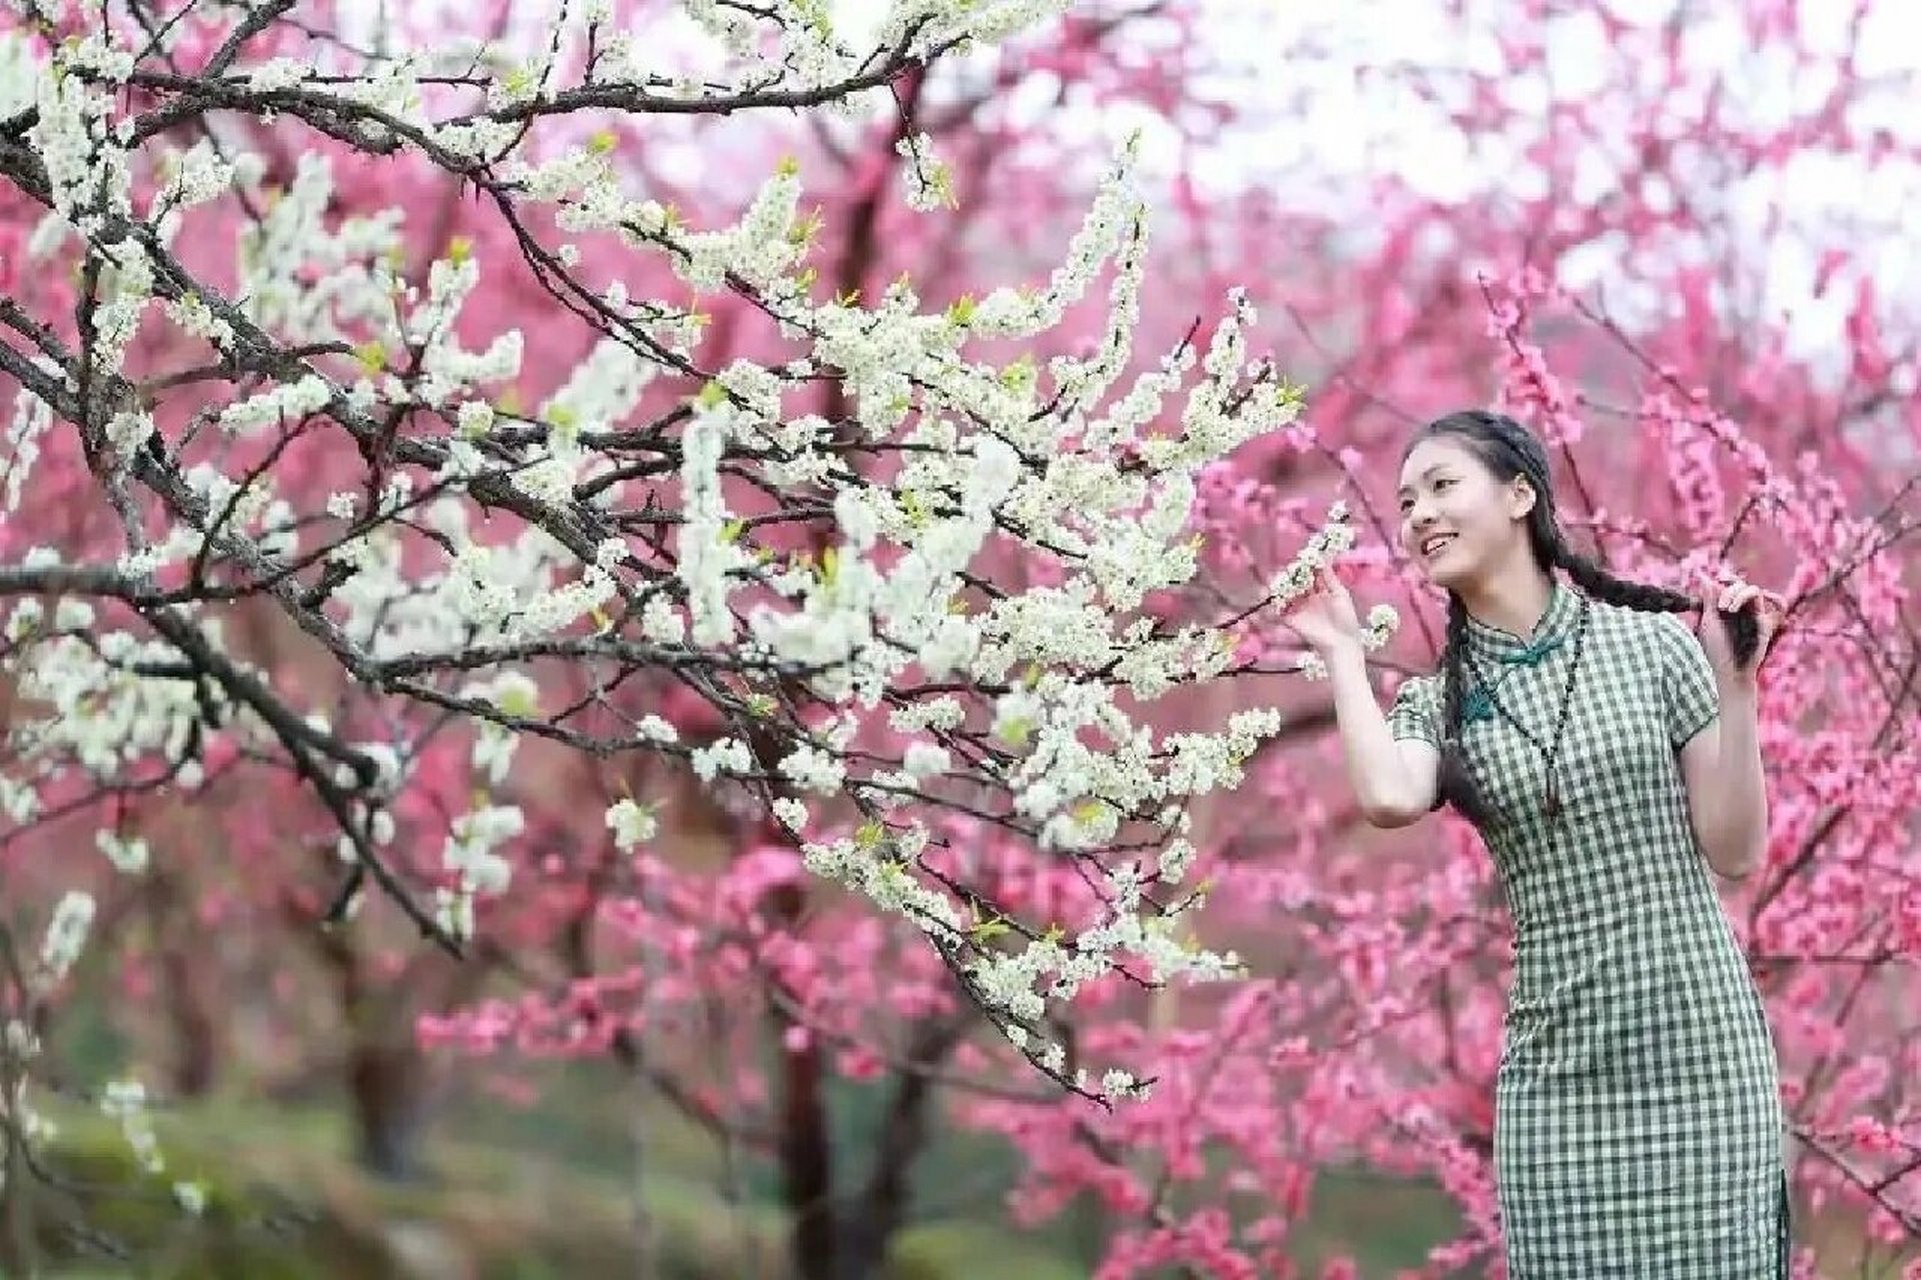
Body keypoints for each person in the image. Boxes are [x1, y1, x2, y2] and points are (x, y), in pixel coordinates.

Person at [1284, 409, 1790, 1277]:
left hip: (1703, 1057)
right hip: (1558, 1080)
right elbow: (1386, 796)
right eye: (1405, 504)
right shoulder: (1434, 703)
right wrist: (1338, 653)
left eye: (1441, 487)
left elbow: (1735, 849)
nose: (1418, 516)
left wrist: (1734, 688)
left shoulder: (1652, 650)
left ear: (1520, 495)